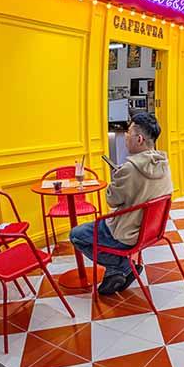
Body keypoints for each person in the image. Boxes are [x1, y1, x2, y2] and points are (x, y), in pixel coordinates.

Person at [69, 112, 173, 294]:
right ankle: (115, 272)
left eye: (128, 133)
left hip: (126, 232)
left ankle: (121, 266)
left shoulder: (129, 169)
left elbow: (112, 200)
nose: (125, 137)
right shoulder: (163, 164)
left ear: (139, 139)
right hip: (152, 231)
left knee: (76, 235)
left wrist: (116, 178)